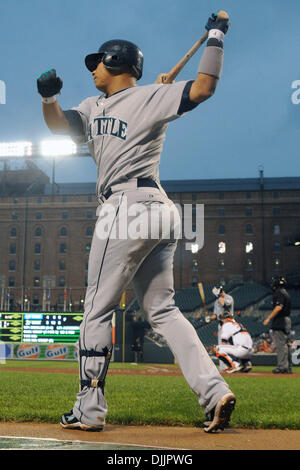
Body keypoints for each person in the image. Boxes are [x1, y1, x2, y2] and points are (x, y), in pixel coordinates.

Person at [37, 13, 236, 433]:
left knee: (96, 307)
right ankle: (215, 392)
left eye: (98, 62)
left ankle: (88, 410)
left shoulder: (151, 96)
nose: (92, 69)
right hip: (161, 211)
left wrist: (215, 36)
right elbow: (59, 125)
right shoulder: (100, 106)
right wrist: (48, 99)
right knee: (162, 309)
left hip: (126, 206)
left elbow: (205, 87)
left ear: (116, 61)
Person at [263, 276, 292, 374]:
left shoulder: (279, 292)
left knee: (281, 345)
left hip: (281, 320)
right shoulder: (286, 293)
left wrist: (268, 318)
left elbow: (279, 307)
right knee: (285, 345)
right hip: (286, 319)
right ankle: (287, 367)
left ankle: (282, 367)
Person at [209, 286, 234, 371]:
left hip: (229, 323)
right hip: (221, 324)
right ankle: (223, 366)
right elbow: (215, 315)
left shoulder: (229, 298)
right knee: (221, 346)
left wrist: (220, 299)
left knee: (229, 345)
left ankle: (232, 365)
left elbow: (225, 305)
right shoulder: (217, 301)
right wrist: (209, 318)